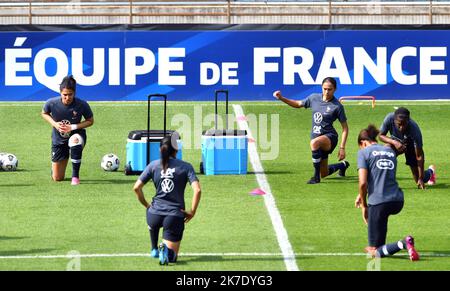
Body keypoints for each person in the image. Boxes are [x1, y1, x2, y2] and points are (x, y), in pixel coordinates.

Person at [133, 135, 201, 265]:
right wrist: (192, 212)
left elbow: (136, 188)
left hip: (154, 215)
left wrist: (147, 206)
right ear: (176, 149)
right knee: (172, 258)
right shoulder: (186, 167)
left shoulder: (153, 165)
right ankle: (166, 251)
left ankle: (154, 248)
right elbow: (197, 190)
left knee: (150, 212)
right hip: (174, 216)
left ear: (160, 150)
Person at [355, 124, 419, 261]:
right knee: (380, 247)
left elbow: (363, 183)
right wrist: (361, 194)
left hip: (378, 203)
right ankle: (396, 244)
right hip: (397, 200)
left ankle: (403, 243)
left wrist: (364, 205)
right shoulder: (389, 151)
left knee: (373, 252)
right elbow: (380, 176)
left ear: (363, 143)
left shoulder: (363, 153)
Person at [273, 77, 350, 184]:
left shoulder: (337, 106)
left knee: (314, 143)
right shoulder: (314, 98)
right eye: (325, 89)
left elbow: (345, 128)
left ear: (335, 89)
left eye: (330, 89)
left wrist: (342, 148)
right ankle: (343, 165)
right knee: (324, 173)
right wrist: (281, 98)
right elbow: (298, 104)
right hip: (317, 136)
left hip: (330, 137)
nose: (327, 92)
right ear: (321, 88)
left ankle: (315, 177)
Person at [41, 75, 94, 185]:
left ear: (74, 93)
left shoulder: (81, 104)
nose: (67, 97)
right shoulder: (51, 103)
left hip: (76, 134)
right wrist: (55, 124)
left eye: (70, 95)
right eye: (65, 95)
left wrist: (73, 127)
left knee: (75, 141)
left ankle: (75, 177)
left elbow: (90, 121)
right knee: (57, 178)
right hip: (59, 140)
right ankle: (63, 157)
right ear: (60, 93)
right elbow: (44, 113)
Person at [379, 107, 436, 189]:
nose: (401, 128)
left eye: (404, 124)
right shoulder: (389, 118)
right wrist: (394, 142)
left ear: (408, 120)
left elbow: (419, 156)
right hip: (395, 143)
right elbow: (380, 135)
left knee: (418, 180)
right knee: (385, 152)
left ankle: (431, 172)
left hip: (411, 147)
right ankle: (384, 182)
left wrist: (420, 178)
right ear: (394, 120)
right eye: (399, 124)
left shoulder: (414, 129)